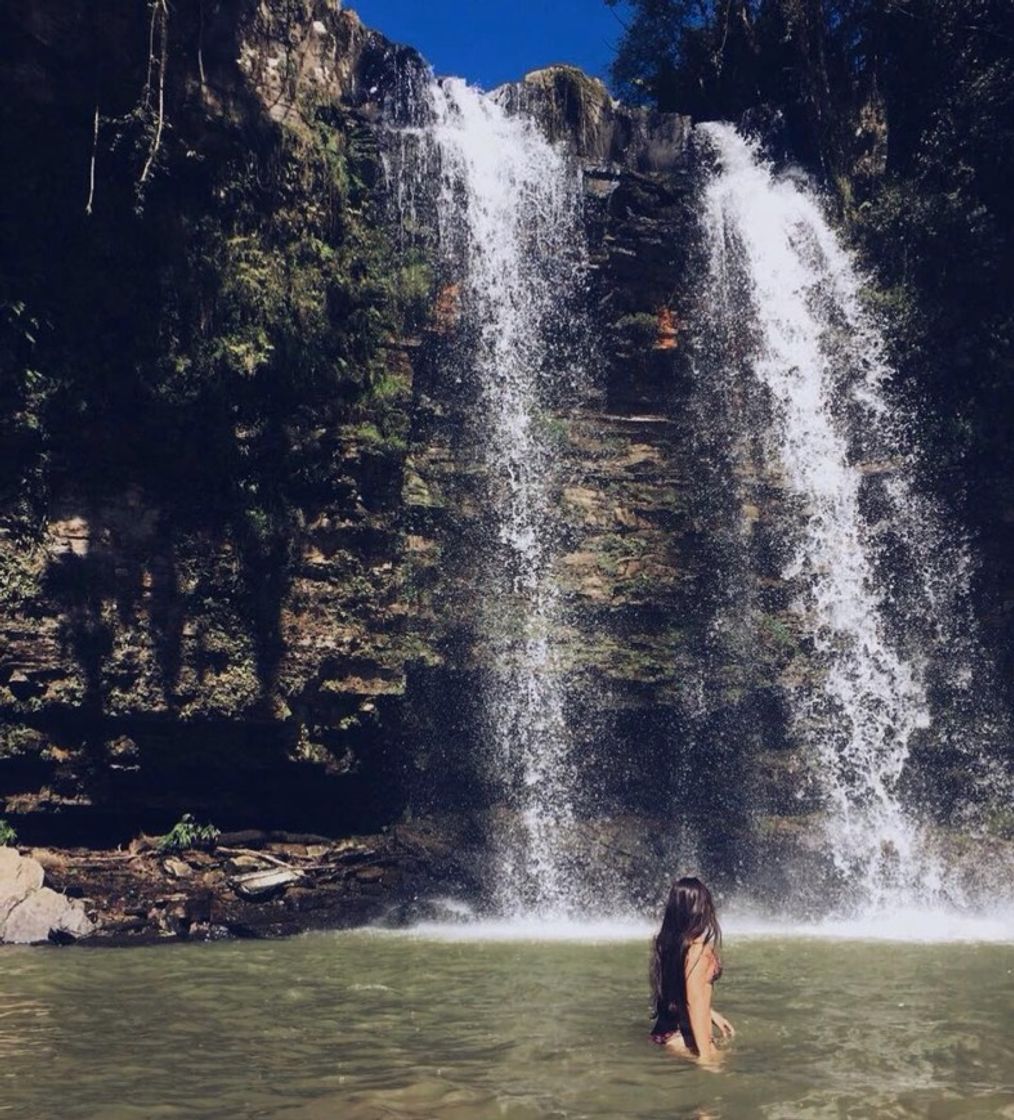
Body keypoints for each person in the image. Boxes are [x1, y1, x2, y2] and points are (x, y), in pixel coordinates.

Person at [650, 876, 734, 1065]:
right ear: (699, 909)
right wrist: (706, 1056)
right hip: (688, 1038)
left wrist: (710, 1013)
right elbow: (694, 1001)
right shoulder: (699, 950)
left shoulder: (667, 943)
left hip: (665, 1035)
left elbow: (678, 989)